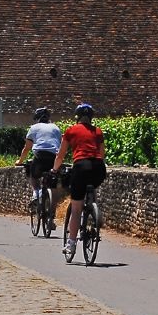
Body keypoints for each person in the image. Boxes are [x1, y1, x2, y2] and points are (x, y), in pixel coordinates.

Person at [51, 103, 106, 257]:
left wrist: (55, 170)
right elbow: (102, 154)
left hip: (81, 166)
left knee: (76, 209)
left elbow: (60, 155)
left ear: (77, 117)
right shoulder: (98, 131)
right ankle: (94, 211)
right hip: (98, 167)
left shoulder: (71, 130)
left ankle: (71, 244)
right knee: (92, 185)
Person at [16, 107, 62, 226]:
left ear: (37, 119)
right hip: (53, 157)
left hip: (40, 156)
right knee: (52, 187)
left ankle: (36, 193)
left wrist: (20, 161)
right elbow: (60, 145)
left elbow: (27, 148)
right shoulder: (56, 128)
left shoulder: (34, 128)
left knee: (33, 173)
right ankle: (51, 219)